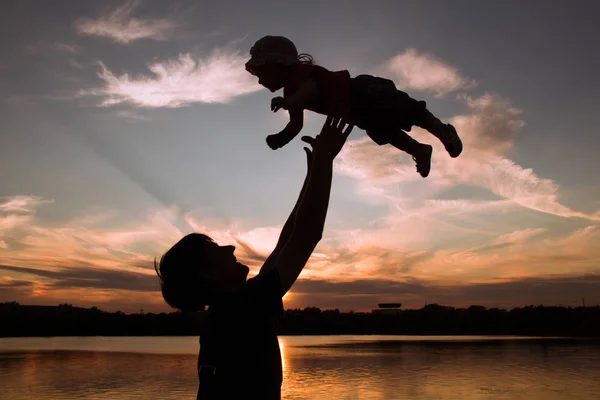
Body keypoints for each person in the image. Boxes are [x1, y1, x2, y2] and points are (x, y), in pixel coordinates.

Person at [154, 116, 354, 399]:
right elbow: (306, 235)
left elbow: (288, 240)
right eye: (218, 250)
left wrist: (313, 176)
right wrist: (325, 162)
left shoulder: (230, 311)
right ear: (208, 275)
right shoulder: (241, 310)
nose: (231, 249)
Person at [245, 35, 463, 178]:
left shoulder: (300, 75)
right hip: (356, 113)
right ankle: (419, 150)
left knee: (407, 110)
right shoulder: (290, 93)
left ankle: (442, 130)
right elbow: (295, 124)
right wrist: (282, 138)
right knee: (385, 132)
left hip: (363, 91)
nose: (260, 80)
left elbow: (312, 90)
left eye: (261, 72)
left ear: (279, 64)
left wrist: (288, 103)